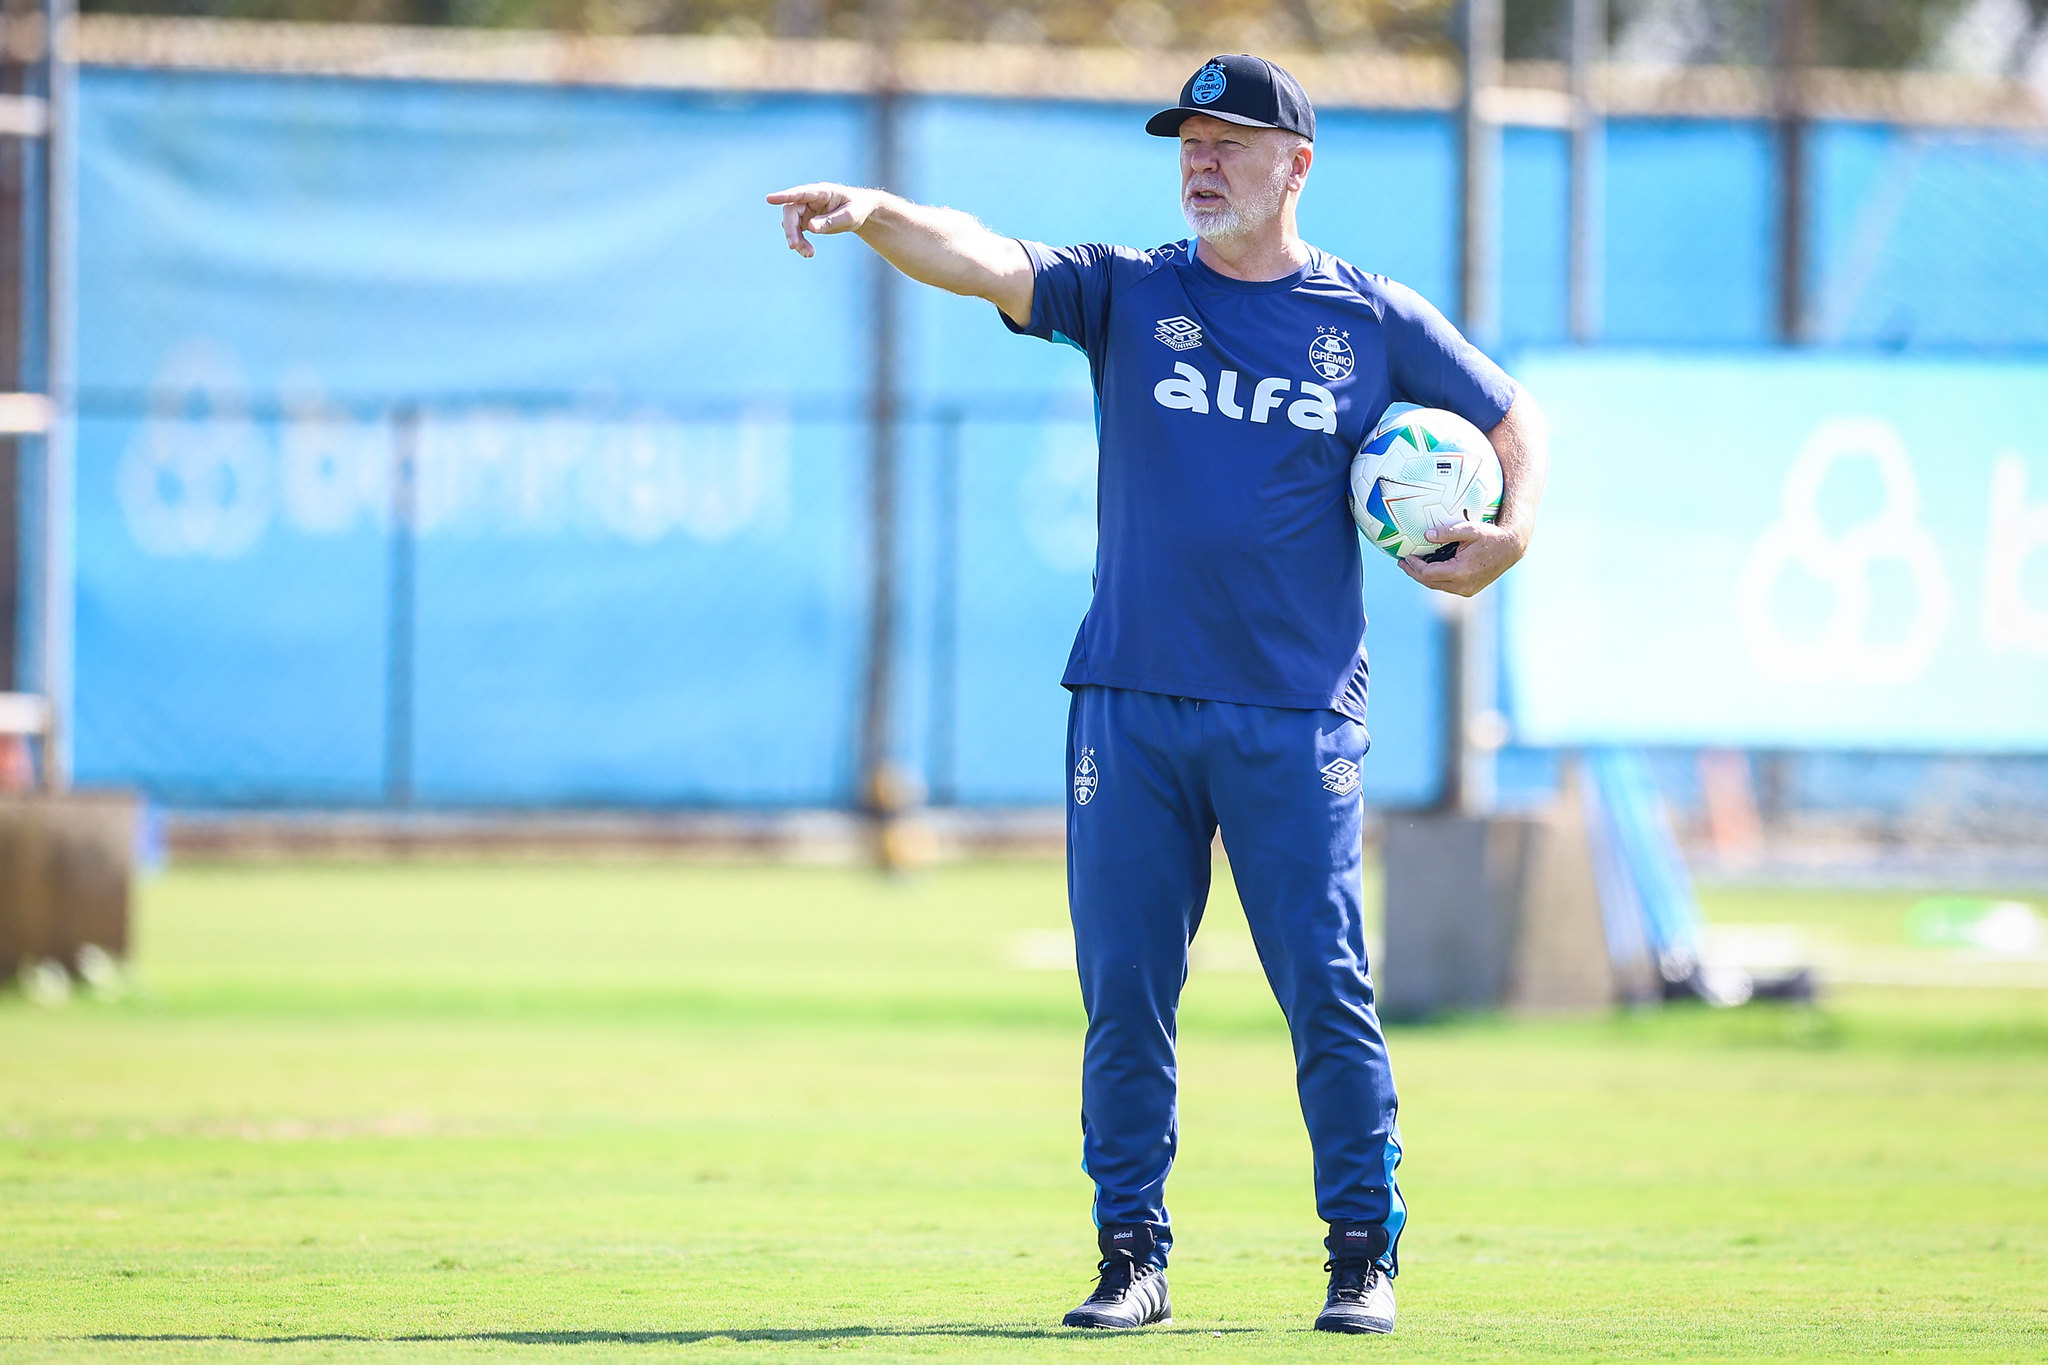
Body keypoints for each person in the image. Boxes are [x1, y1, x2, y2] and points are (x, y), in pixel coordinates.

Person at [767, 51, 1547, 1336]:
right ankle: (1130, 1254)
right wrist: (876, 211)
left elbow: (1514, 418)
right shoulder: (1129, 292)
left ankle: (1361, 1253)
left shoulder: (1367, 317)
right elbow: (979, 256)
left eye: (1230, 140)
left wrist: (1509, 533)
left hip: (1293, 716)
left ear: (1295, 164)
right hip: (1127, 703)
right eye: (1187, 139)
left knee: (1325, 985)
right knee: (1125, 992)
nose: (1200, 160)